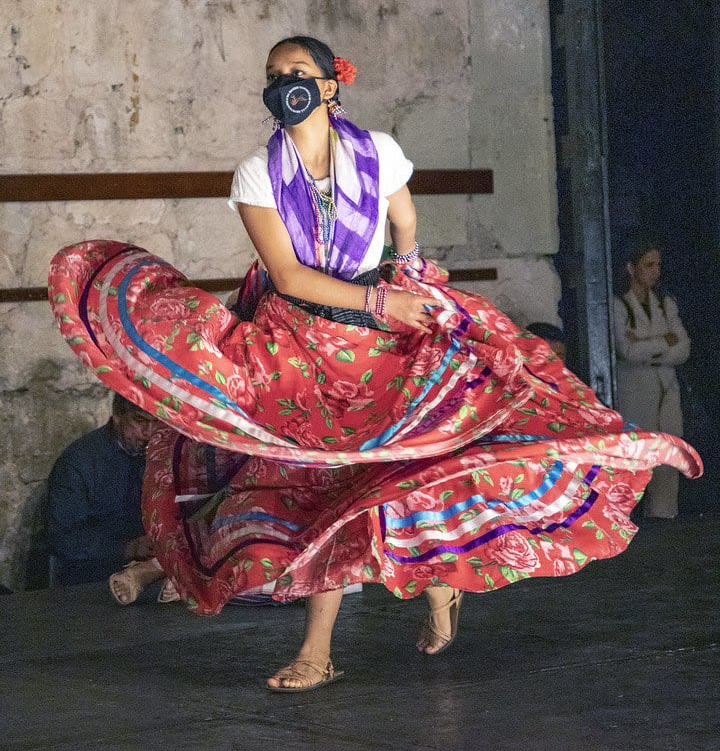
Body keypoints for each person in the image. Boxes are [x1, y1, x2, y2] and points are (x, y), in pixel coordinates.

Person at [48, 36, 701, 693]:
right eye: (273, 75)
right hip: (303, 345)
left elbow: (405, 219)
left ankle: (440, 583)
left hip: (379, 335)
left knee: (429, 458)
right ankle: (319, 649)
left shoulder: (378, 152)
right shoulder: (256, 173)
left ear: (331, 85)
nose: (283, 85)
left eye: (297, 73)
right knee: (324, 490)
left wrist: (410, 274)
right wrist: (378, 298)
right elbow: (288, 274)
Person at [47, 393, 159, 586]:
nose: (148, 433)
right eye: (139, 421)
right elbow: (63, 538)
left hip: (147, 567)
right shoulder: (79, 463)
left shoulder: (156, 454)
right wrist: (128, 548)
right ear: (117, 416)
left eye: (157, 423)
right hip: (92, 575)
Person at [613, 238, 690, 519]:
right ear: (631, 268)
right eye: (649, 265)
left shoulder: (666, 304)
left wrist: (647, 345)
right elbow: (626, 350)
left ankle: (664, 518)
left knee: (669, 457)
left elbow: (683, 349)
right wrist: (663, 342)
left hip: (666, 389)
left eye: (658, 265)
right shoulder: (618, 305)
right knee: (635, 456)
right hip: (635, 390)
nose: (655, 271)